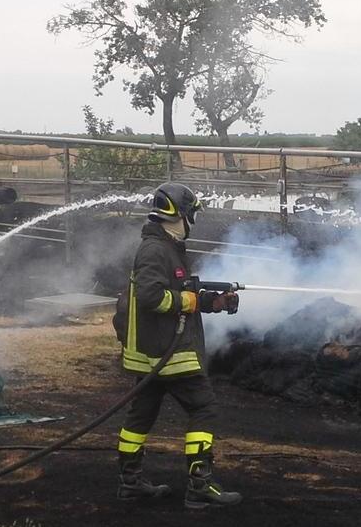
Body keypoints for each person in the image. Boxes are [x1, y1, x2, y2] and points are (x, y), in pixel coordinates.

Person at [114, 182, 241, 509]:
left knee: (140, 417)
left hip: (152, 355)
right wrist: (191, 300)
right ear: (178, 215)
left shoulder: (164, 247)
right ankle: (199, 484)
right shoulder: (156, 250)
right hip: (169, 355)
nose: (192, 221)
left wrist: (212, 302)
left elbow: (182, 295)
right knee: (204, 408)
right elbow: (151, 296)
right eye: (190, 214)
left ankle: (130, 483)